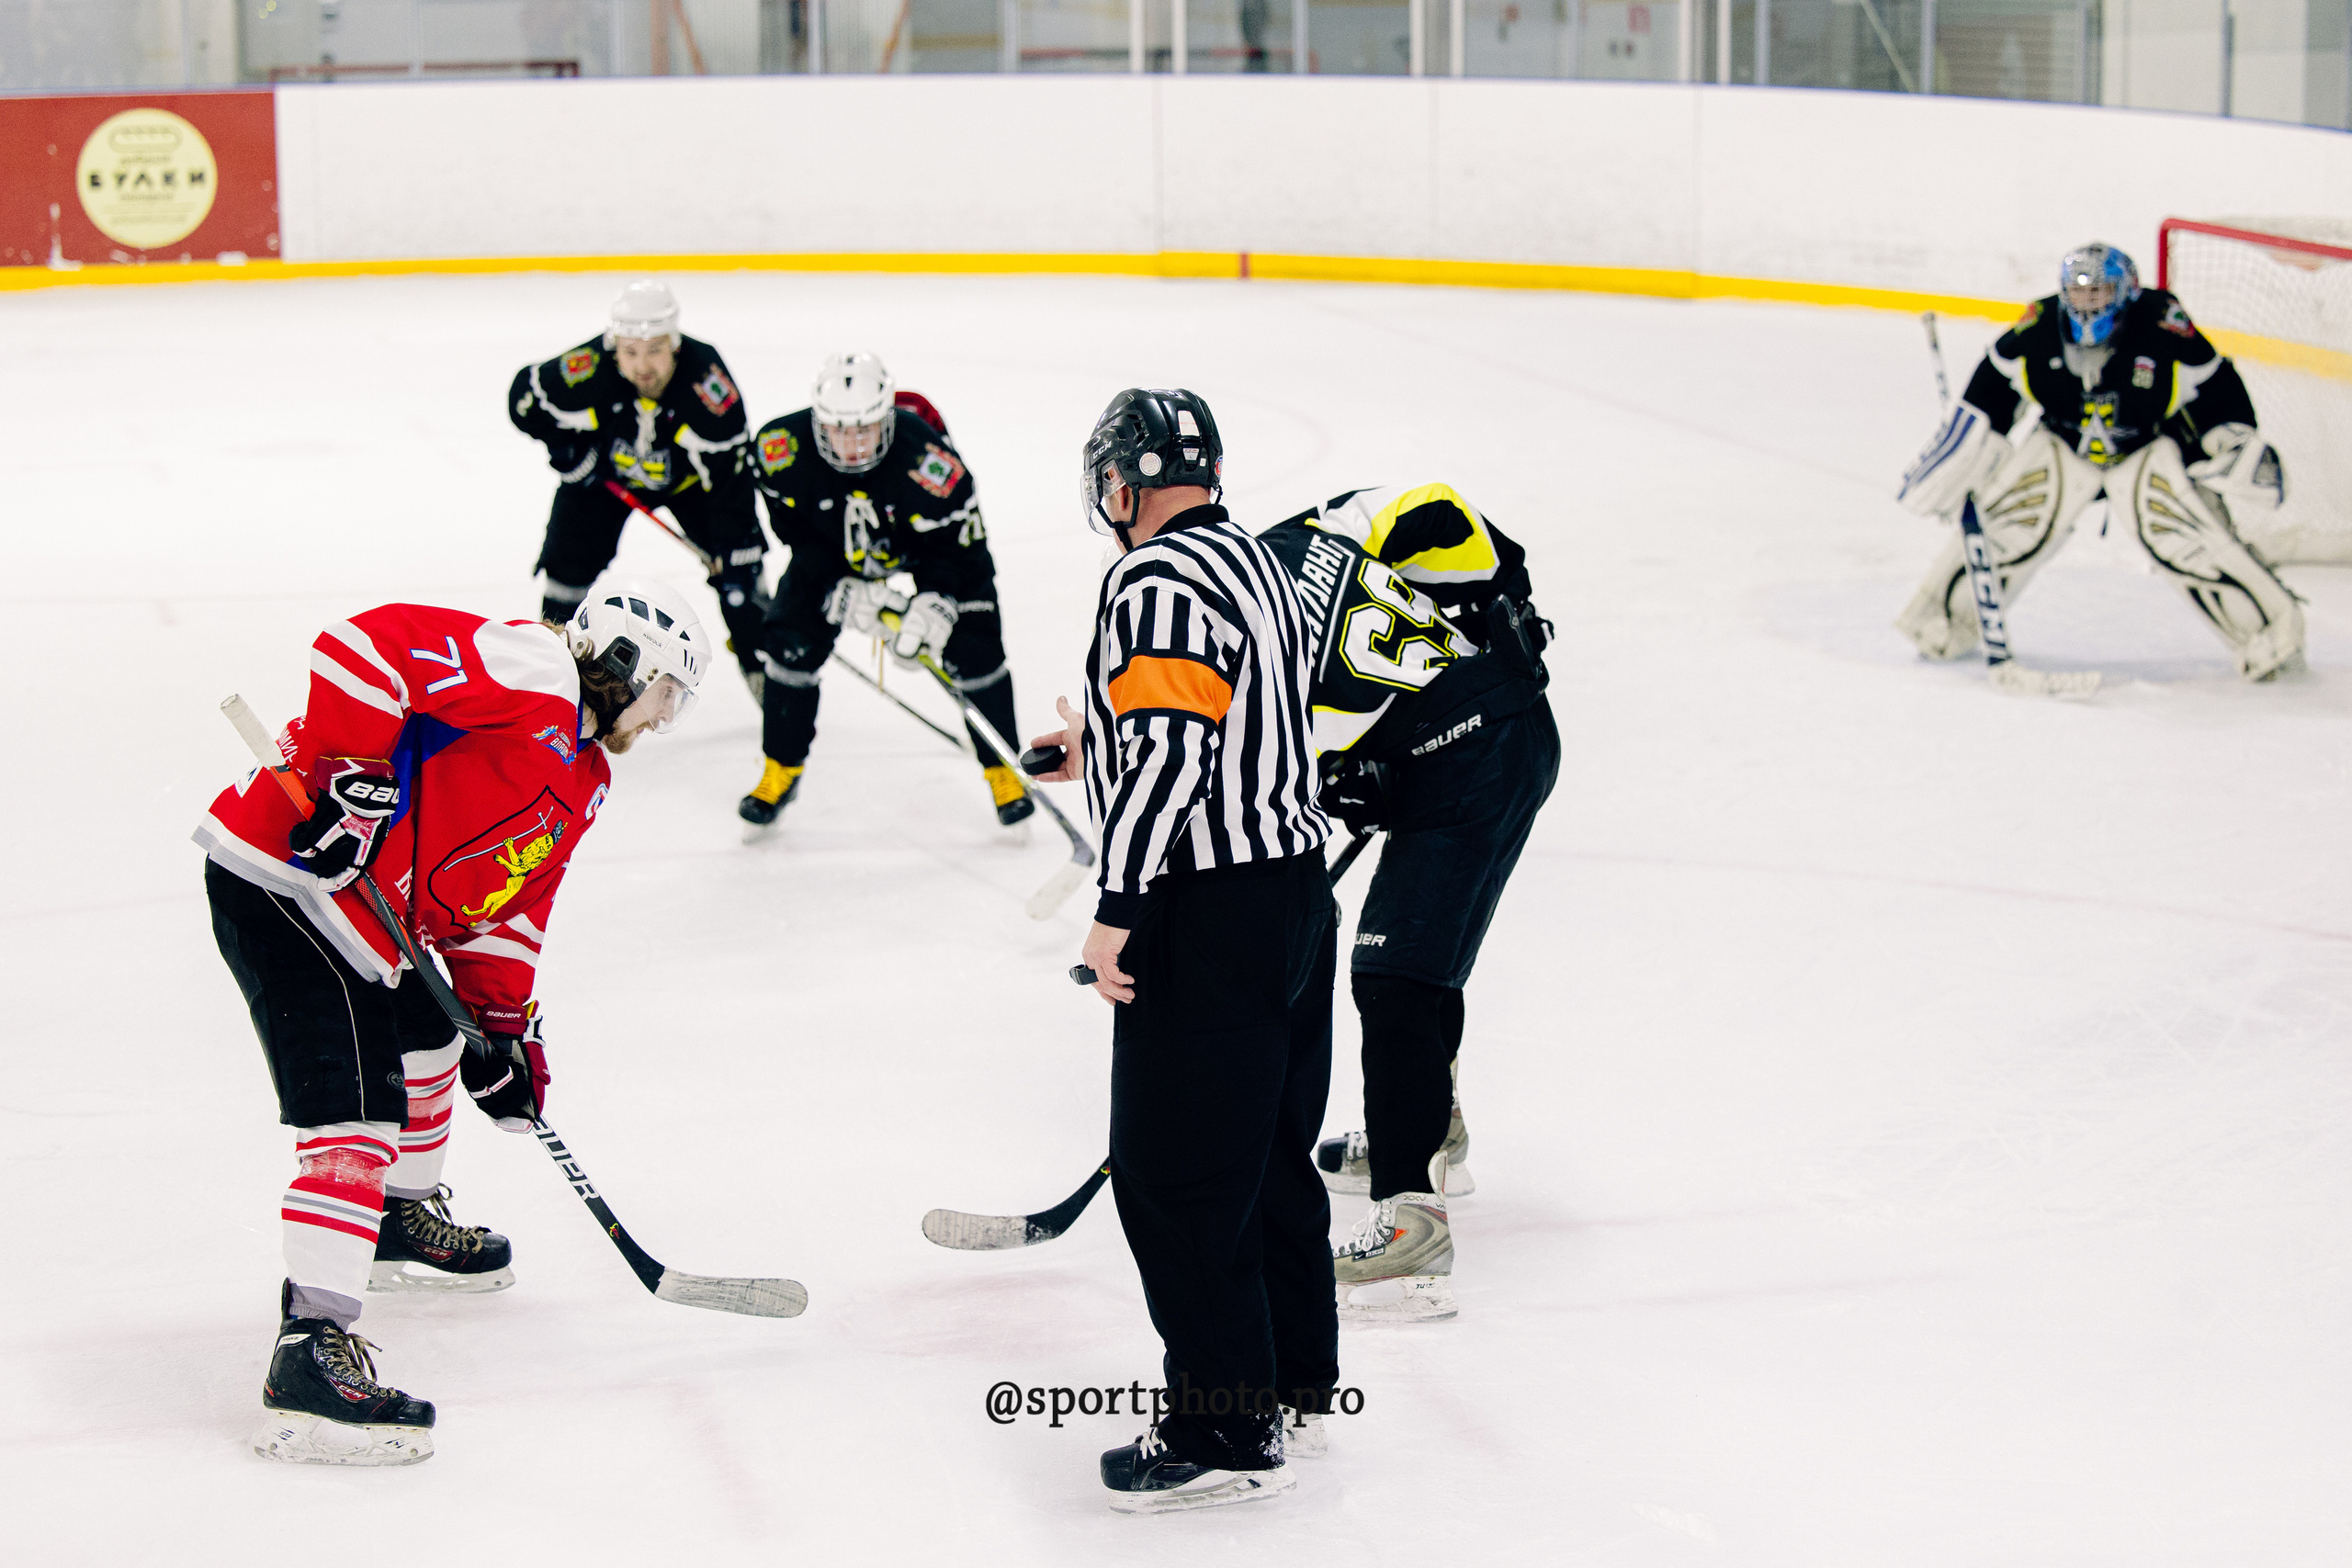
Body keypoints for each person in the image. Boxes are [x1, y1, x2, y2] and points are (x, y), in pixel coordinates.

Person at [195, 581, 709, 1466]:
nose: (665, 721)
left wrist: (504, 1028)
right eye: (669, 694)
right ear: (630, 663)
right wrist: (348, 783)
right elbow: (360, 648)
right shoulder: (539, 670)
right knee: (357, 1112)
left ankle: (399, 1218)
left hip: (368, 914)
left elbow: (507, 910)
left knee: (434, 1040)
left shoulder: (584, 778)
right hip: (288, 881)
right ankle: (309, 1352)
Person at [1028, 388, 1337, 1514]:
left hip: (1207, 912)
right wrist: (1092, 743)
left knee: (1175, 1179)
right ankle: (1297, 1378)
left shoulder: (1151, 580)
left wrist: (1118, 905)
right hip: (1295, 898)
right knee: (1266, 1159)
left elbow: (1170, 761)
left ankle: (1225, 1426)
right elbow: (1222, 715)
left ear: (1120, 482)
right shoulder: (1255, 557)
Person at [1256, 484, 1557, 1323]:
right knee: (1421, 959)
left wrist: (1505, 603)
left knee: (1393, 974)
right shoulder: (1286, 558)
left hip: (1481, 755)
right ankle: (1426, 1137)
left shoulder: (1297, 571)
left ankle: (1410, 1220)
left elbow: (1432, 510)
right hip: (1466, 749)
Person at [1895, 243, 2302, 681]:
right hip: (2063, 443)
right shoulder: (2040, 324)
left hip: (2144, 448)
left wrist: (2229, 439)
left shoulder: (2161, 322)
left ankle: (2270, 636)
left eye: (2100, 293)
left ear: (2125, 292)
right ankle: (1937, 623)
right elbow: (1993, 384)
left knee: (2188, 545)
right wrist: (1967, 449)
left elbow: (2215, 385)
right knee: (2008, 527)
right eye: (2078, 293)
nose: (2086, 305)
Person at [738, 352, 1034, 832]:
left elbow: (964, 550)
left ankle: (1004, 772)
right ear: (818, 422)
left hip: (925, 553)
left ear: (887, 419)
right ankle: (780, 768)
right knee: (789, 642)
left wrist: (937, 600)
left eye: (865, 430)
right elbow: (798, 536)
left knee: (975, 645)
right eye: (839, 430)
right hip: (832, 553)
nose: (852, 446)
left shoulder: (931, 463)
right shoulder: (779, 452)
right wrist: (834, 585)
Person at [507, 280, 768, 688]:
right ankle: (552, 666)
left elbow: (729, 474)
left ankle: (760, 657)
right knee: (567, 563)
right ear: (615, 346)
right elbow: (524, 399)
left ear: (675, 343)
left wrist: (734, 546)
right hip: (606, 478)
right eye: (630, 352)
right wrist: (570, 454)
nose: (642, 364)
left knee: (740, 567)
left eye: (655, 350)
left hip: (689, 485)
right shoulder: (592, 364)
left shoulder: (707, 384)